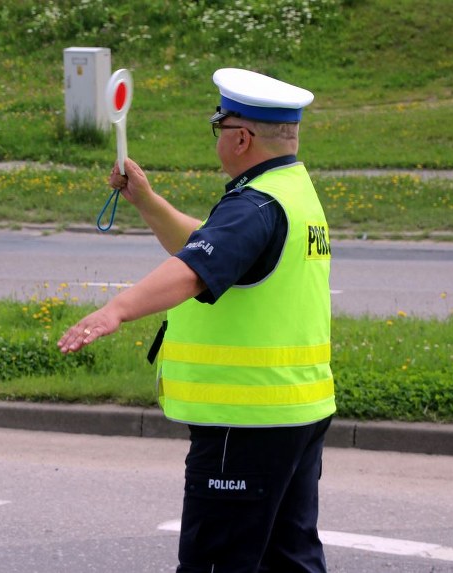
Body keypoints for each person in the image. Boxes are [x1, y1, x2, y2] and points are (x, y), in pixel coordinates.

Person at [58, 68, 335, 573]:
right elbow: (210, 246)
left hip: (245, 421)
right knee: (289, 560)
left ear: (241, 138)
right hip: (295, 412)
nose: (218, 140)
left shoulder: (254, 206)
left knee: (217, 563)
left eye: (219, 128)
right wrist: (146, 200)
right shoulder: (292, 191)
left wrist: (114, 309)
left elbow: (192, 269)